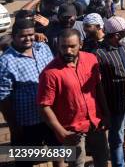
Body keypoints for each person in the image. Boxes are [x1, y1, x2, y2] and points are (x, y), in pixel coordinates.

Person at [37, 28, 110, 167]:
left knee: (102, 160)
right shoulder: (49, 74)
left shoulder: (91, 59)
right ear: (58, 46)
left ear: (80, 45)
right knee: (77, 164)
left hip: (96, 123)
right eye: (63, 47)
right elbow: (44, 107)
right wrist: (61, 132)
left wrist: (106, 114)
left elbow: (98, 88)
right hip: (72, 130)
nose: (68, 51)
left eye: (72, 46)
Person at [0, 18, 57, 167]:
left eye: (31, 34)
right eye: (22, 36)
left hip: (51, 116)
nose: (28, 38)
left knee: (58, 153)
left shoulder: (42, 48)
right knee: (25, 161)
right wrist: (13, 125)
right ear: (14, 36)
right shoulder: (5, 61)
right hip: (26, 123)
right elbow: (3, 99)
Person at [95, 16, 125, 167]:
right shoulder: (99, 54)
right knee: (117, 139)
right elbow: (99, 85)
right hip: (115, 105)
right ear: (115, 35)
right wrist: (104, 111)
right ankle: (118, 164)